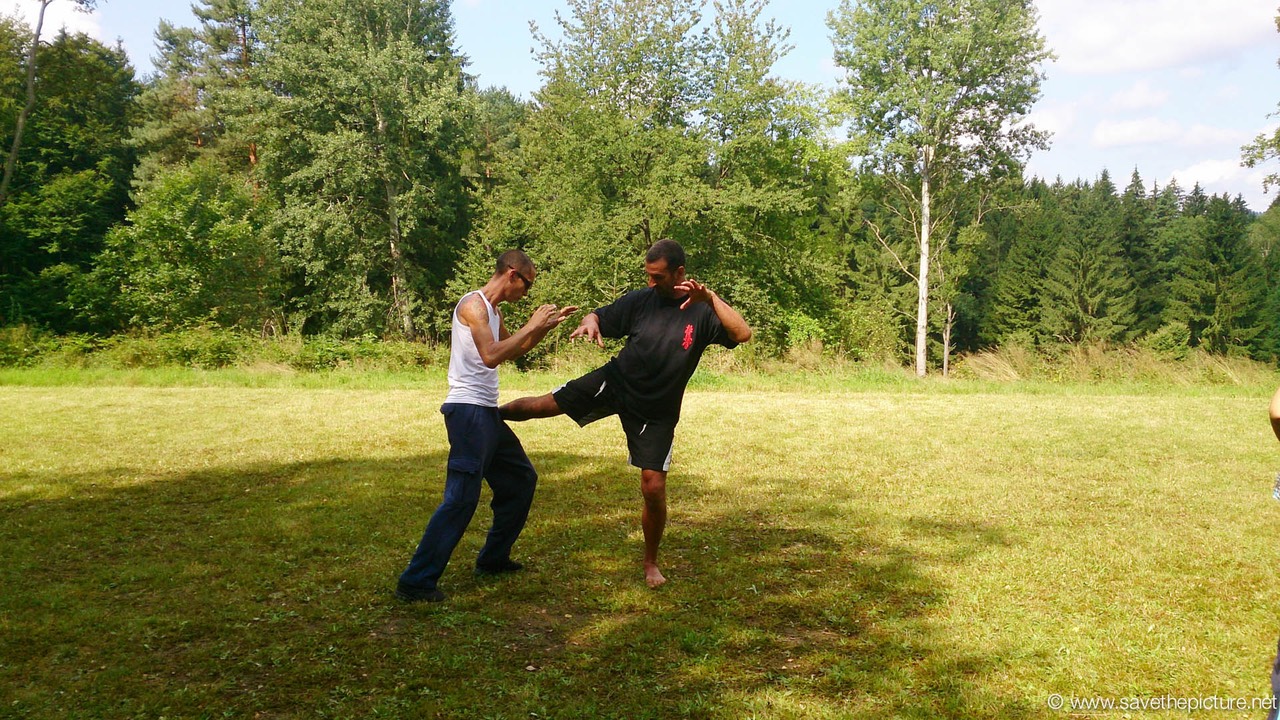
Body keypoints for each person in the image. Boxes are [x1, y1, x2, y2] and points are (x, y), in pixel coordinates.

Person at [500, 239, 752, 588]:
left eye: (658, 276)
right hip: (616, 382)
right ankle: (487, 415)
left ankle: (651, 562)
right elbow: (600, 315)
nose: (651, 282)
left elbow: (742, 333)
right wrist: (590, 322)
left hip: (657, 409)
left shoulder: (702, 310)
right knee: (542, 406)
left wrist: (710, 299)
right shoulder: (640, 300)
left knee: (653, 487)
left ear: (680, 273)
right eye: (648, 275)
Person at [396, 250, 577, 603]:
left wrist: (544, 327)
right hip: (467, 413)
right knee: (461, 498)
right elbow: (491, 355)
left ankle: (493, 559)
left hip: (486, 414)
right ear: (512, 274)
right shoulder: (474, 306)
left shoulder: (494, 312)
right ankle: (416, 581)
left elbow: (515, 350)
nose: (527, 293)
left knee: (520, 480)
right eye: (527, 285)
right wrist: (532, 324)